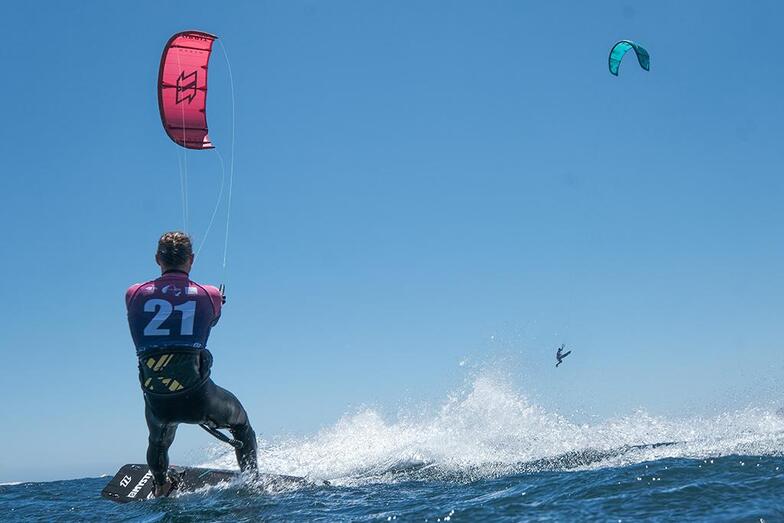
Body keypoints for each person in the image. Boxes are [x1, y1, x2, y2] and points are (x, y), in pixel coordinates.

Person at [125, 231, 258, 497]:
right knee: (241, 424)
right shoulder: (209, 295)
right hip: (200, 398)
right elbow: (211, 318)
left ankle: (161, 484)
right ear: (192, 260)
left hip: (158, 400)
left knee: (158, 440)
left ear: (157, 259)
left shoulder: (133, 293)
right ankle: (251, 484)